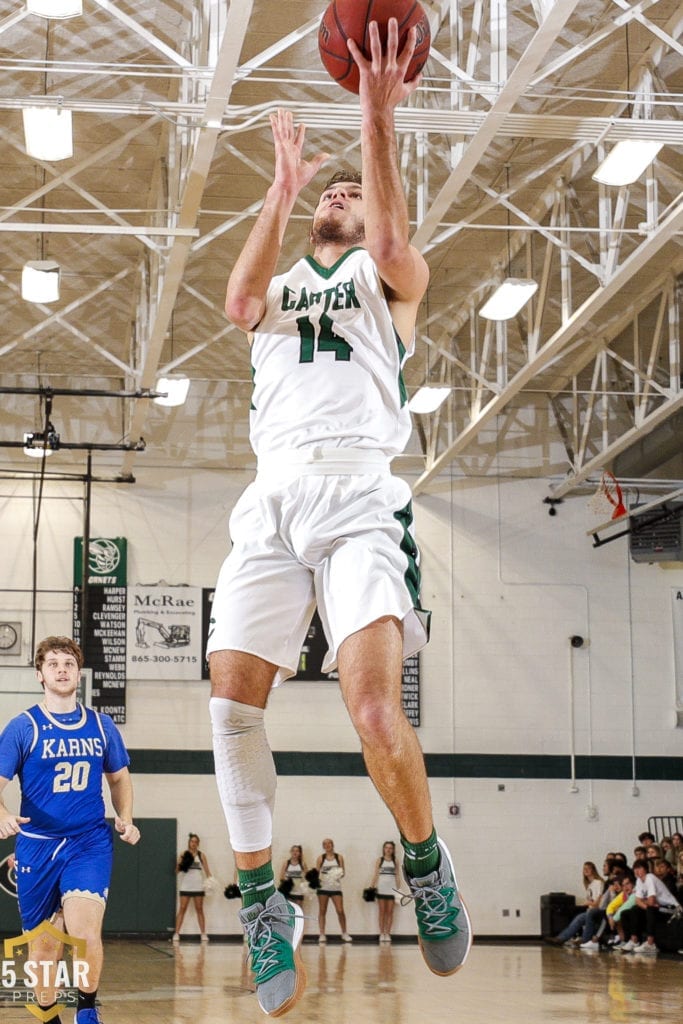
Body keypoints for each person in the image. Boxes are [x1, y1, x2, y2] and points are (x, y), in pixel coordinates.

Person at [206, 18, 471, 1018]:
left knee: (370, 713)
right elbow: (235, 301)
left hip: (360, 495)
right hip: (271, 496)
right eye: (333, 188)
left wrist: (375, 109)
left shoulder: (385, 286)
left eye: (347, 195)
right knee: (231, 709)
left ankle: (423, 857)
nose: (339, 195)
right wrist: (279, 186)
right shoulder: (278, 294)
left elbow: (396, 235)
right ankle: (264, 904)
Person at [0, 636, 140, 1024]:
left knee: (83, 932)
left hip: (88, 842)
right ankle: (49, 1017)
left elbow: (119, 779)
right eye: (53, 664)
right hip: (37, 846)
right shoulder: (22, 727)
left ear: (79, 673)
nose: (62, 669)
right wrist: (2, 815)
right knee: (44, 951)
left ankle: (87, 1007)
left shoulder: (101, 725)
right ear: (39, 675)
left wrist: (125, 816)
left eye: (68, 663)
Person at [619, 857, 681, 955]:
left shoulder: (650, 877)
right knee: (630, 911)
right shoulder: (639, 881)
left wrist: (646, 902)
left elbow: (651, 901)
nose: (637, 871)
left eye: (639, 868)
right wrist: (647, 904)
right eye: (635, 868)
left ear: (645, 869)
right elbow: (637, 901)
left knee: (650, 909)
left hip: (671, 909)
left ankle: (651, 944)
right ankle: (634, 940)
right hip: (658, 908)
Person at [173, 833, 212, 942]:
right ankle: (176, 933)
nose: (193, 844)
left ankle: (203, 934)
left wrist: (210, 884)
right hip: (186, 885)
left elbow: (208, 872)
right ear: (189, 843)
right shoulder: (183, 854)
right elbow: (176, 871)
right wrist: (183, 864)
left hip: (198, 886)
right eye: (192, 841)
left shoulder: (201, 855)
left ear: (198, 844)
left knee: (199, 909)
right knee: (182, 908)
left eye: (196, 842)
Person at [315, 838, 352, 945]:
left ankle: (344, 933)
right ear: (323, 846)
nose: (327, 845)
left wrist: (335, 874)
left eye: (329, 843)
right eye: (325, 844)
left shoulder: (338, 857)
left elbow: (343, 873)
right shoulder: (320, 858)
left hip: (335, 888)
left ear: (333, 845)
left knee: (340, 910)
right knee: (322, 910)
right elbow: (317, 874)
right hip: (323, 889)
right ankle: (322, 934)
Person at [370, 840, 399, 943]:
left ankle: (388, 933)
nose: (388, 850)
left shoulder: (395, 861)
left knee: (390, 912)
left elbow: (398, 876)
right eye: (386, 848)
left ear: (393, 850)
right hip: (381, 889)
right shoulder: (380, 860)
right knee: (382, 912)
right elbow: (376, 874)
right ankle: (381, 933)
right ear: (383, 849)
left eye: (390, 848)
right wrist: (371, 886)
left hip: (391, 890)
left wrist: (398, 890)